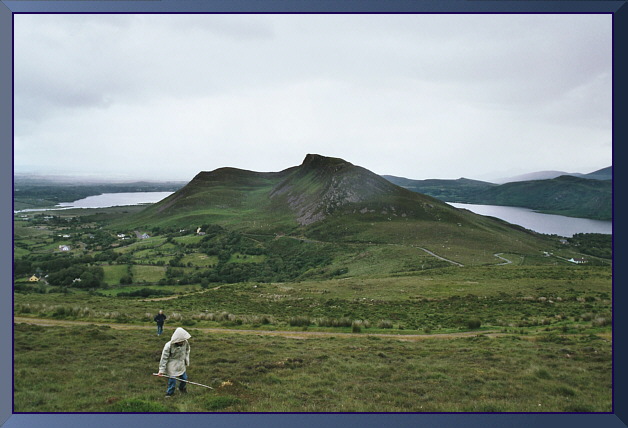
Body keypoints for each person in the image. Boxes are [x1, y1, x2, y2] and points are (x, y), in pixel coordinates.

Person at [157, 327, 191, 397]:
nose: (183, 341)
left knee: (184, 378)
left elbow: (187, 350)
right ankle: (169, 393)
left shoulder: (185, 342)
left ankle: (182, 388)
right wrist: (161, 370)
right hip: (172, 365)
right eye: (181, 340)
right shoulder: (168, 346)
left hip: (181, 364)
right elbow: (164, 358)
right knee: (172, 380)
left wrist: (186, 360)